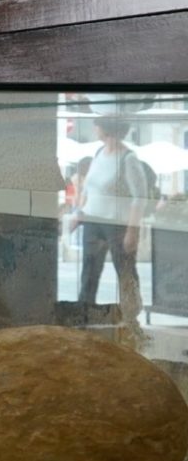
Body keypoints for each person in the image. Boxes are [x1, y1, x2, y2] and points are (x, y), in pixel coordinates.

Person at [72, 117, 156, 326]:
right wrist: (79, 214)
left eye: (98, 124)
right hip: (92, 221)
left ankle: (131, 315)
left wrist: (132, 230)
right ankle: (84, 315)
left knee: (125, 270)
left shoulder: (128, 158)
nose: (95, 128)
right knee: (89, 270)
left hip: (117, 224)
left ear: (106, 128)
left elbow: (139, 196)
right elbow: (88, 189)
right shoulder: (99, 154)